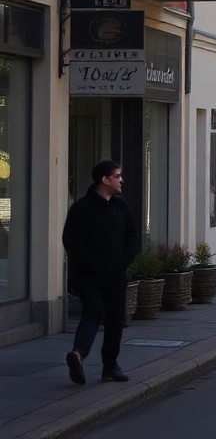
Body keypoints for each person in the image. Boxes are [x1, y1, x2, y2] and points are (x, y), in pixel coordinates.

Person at [61, 160, 140, 385]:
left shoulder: (121, 206)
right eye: (117, 176)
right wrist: (91, 264)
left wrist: (124, 260)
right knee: (93, 313)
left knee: (115, 320)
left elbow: (132, 236)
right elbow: (71, 241)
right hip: (89, 276)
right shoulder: (82, 208)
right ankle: (78, 354)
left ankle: (110, 367)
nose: (121, 179)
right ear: (104, 180)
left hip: (116, 275)